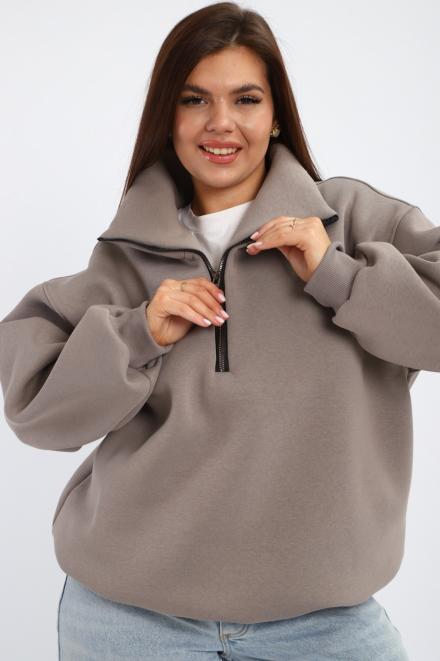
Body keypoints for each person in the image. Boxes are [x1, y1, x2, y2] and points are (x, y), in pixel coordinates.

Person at [5, 1, 439, 658]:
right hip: (128, 620)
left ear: (276, 114)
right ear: (168, 117)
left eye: (246, 99)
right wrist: (138, 333)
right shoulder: (126, 256)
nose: (221, 123)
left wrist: (337, 274)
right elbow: (37, 412)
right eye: (194, 100)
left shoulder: (350, 221)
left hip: (325, 625)